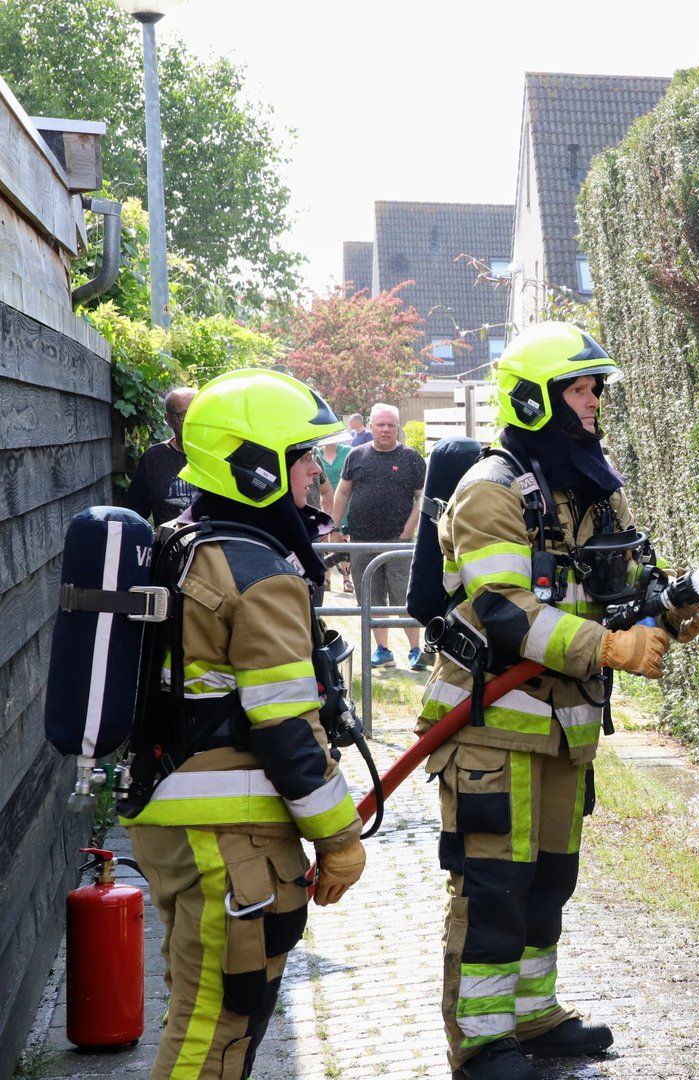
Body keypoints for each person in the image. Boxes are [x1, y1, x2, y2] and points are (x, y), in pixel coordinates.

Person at [416, 322, 699, 1080]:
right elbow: (507, 611)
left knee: (550, 879)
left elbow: (625, 581)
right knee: (493, 888)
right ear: (535, 399)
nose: (593, 404)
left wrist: (667, 613)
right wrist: (609, 649)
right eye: (579, 390)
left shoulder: (587, 489)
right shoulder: (490, 490)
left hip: (562, 732)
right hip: (491, 728)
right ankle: (481, 1044)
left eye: (594, 390)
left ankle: (532, 1016)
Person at [119, 368, 367, 1080]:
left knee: (200, 1010)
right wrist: (341, 839)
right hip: (230, 842)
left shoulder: (184, 543)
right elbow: (286, 728)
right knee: (217, 1028)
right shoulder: (259, 573)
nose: (318, 472)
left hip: (179, 822)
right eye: (302, 455)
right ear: (256, 467)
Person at [330, 404, 426, 668]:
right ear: (371, 426)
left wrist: (408, 530)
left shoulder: (411, 458)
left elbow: (422, 497)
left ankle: (415, 650)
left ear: (398, 428)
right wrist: (335, 529)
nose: (385, 430)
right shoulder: (356, 456)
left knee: (403, 596)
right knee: (370, 598)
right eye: (380, 425)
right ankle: (382, 650)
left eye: (390, 425)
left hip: (398, 543)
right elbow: (342, 492)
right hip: (362, 541)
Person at [123, 387, 198, 522]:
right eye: (184, 415)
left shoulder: (221, 455)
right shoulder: (154, 458)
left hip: (215, 541)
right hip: (170, 541)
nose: (192, 421)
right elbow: (134, 515)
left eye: (198, 413)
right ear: (168, 419)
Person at [318, 439, 353, 592]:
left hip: (343, 503)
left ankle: (347, 579)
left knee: (344, 540)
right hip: (324, 502)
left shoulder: (347, 451)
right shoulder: (316, 454)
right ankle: (326, 579)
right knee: (325, 540)